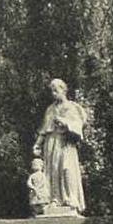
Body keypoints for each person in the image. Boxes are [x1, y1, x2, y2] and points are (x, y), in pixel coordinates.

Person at [35, 78, 88, 214]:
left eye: (56, 90)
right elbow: (44, 129)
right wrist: (37, 144)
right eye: (51, 91)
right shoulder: (50, 109)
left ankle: (71, 198)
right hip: (51, 142)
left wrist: (65, 123)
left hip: (66, 142)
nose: (53, 93)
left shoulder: (72, 107)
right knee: (53, 170)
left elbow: (79, 124)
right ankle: (55, 199)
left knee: (67, 169)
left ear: (63, 90)